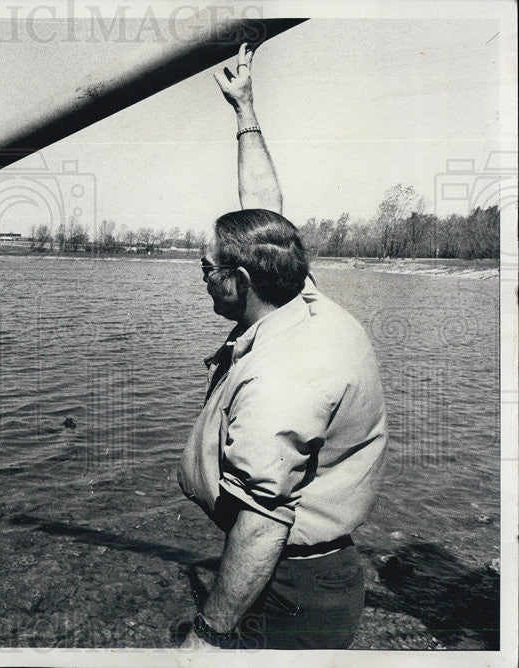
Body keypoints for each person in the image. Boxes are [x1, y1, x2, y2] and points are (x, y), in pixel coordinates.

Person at [177, 43, 389, 650]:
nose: (201, 275)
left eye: (207, 267)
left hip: (289, 586)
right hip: (311, 573)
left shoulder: (285, 377)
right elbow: (264, 211)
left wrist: (209, 636)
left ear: (239, 281)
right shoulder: (299, 297)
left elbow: (264, 523)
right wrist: (245, 110)